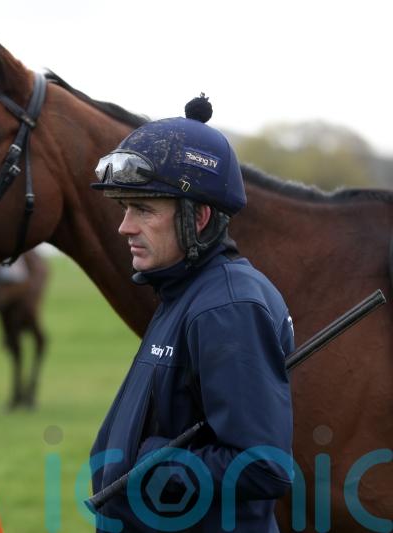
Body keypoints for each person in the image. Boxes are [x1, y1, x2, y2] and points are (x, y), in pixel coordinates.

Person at [89, 95, 294, 532]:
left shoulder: (228, 309)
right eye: (125, 208)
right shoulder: (182, 293)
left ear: (197, 217)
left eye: (143, 209)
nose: (125, 226)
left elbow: (263, 465)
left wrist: (158, 466)